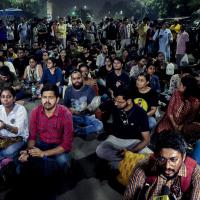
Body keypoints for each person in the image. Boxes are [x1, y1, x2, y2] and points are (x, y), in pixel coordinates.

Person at [124, 131, 200, 200]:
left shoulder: (195, 173)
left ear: (183, 157)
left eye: (173, 159)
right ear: (156, 156)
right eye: (162, 159)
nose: (167, 166)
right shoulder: (143, 166)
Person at [19, 84, 73, 176]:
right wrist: (28, 151)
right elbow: (32, 137)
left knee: (63, 164)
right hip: (42, 143)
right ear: (41, 98)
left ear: (57, 99)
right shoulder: (35, 112)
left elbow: (67, 144)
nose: (47, 101)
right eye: (44, 97)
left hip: (59, 146)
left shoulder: (66, 113)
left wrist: (43, 153)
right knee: (23, 163)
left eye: (51, 97)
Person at [96, 87, 152, 169]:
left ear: (129, 101)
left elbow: (147, 140)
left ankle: (119, 163)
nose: (116, 104)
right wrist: (101, 118)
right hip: (114, 139)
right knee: (100, 150)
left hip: (133, 142)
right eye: (115, 101)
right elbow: (97, 109)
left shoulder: (141, 113)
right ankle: (128, 162)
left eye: (119, 102)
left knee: (151, 157)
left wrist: (130, 152)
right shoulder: (114, 103)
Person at [156, 75, 200, 140]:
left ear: (185, 87)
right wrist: (174, 125)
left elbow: (190, 118)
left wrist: (180, 126)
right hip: (169, 121)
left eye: (180, 84)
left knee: (176, 138)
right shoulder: (176, 93)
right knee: (161, 132)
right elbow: (169, 112)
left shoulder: (195, 102)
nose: (178, 85)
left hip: (181, 126)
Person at [64, 69, 103, 137]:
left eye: (78, 78)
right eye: (74, 79)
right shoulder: (68, 90)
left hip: (87, 116)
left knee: (99, 126)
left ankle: (78, 131)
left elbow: (93, 105)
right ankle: (80, 130)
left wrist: (88, 108)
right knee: (62, 122)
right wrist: (71, 110)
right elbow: (65, 106)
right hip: (74, 117)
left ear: (82, 77)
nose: (76, 81)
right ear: (71, 80)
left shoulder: (89, 89)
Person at [0, 87, 28, 161]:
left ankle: (8, 158)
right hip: (3, 138)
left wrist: (4, 126)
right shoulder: (0, 108)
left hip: (19, 138)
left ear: (14, 98)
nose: (5, 99)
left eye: (9, 97)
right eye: (3, 97)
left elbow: (17, 131)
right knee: (7, 152)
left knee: (8, 152)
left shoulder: (21, 109)